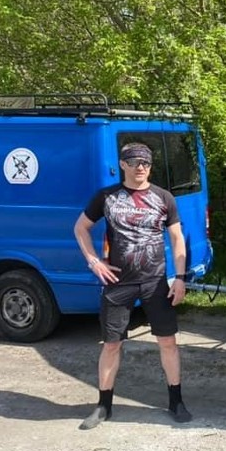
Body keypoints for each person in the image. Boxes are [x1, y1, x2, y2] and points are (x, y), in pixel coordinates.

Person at [74, 142, 192, 430]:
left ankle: (176, 401)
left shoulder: (164, 197)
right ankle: (103, 406)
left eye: (146, 163)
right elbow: (81, 228)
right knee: (112, 344)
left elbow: (177, 238)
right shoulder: (106, 197)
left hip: (156, 282)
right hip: (118, 283)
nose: (141, 167)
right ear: (123, 165)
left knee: (168, 342)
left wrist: (180, 277)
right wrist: (94, 262)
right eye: (134, 162)